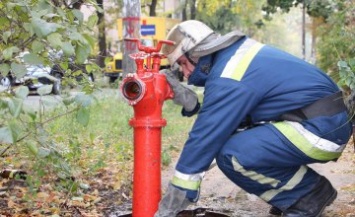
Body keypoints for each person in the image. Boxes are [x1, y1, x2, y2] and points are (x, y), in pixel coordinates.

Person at [155, 20, 354, 217]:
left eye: (182, 63)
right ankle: (304, 190)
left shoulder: (229, 75)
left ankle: (307, 195)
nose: (185, 73)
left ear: (197, 52)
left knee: (232, 154)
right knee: (238, 134)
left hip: (321, 129)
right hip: (327, 122)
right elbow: (225, 109)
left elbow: (206, 135)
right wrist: (191, 100)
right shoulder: (235, 58)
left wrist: (175, 200)